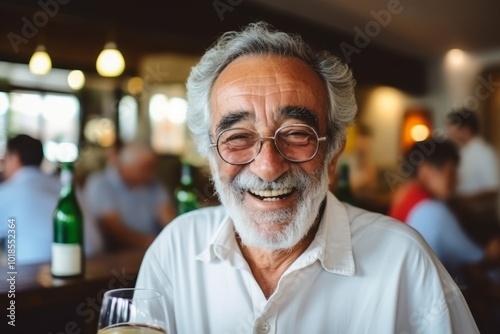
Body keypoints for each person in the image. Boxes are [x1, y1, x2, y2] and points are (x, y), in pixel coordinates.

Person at [135, 22, 479, 333]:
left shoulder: (404, 261)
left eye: (298, 134)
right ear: (211, 158)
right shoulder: (174, 251)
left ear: (333, 155)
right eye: (237, 137)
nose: (268, 167)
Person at [388, 139, 499, 278]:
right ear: (426, 171)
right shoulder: (431, 210)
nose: (456, 180)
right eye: (451, 172)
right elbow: (476, 259)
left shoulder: (405, 195)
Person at [0, 134, 101, 264]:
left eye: (5, 159)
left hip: (38, 274)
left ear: (15, 157)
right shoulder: (66, 186)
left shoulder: (8, 192)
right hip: (95, 263)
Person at [83, 142, 175, 251]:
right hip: (116, 254)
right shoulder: (100, 183)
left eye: (153, 167)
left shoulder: (154, 184)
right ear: (126, 166)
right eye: (146, 167)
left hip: (153, 248)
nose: (152, 173)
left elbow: (169, 221)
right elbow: (115, 231)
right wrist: (156, 243)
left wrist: (170, 241)